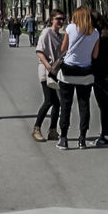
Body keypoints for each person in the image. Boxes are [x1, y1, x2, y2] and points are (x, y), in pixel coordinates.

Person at [58, 7, 102, 148]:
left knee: (66, 105)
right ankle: (82, 138)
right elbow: (95, 55)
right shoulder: (95, 33)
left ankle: (63, 138)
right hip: (85, 73)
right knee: (84, 105)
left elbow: (63, 48)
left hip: (68, 73)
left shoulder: (70, 28)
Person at [32, 10, 66, 142]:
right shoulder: (46, 32)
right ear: (52, 19)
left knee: (57, 103)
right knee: (49, 101)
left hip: (55, 72)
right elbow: (39, 51)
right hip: (46, 71)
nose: (61, 21)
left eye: (63, 19)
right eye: (58, 19)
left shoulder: (59, 35)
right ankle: (36, 128)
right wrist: (49, 67)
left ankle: (52, 130)